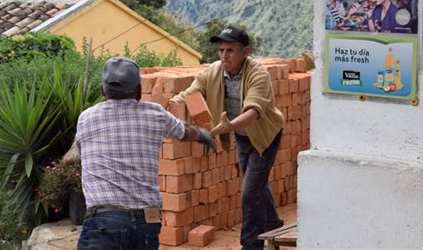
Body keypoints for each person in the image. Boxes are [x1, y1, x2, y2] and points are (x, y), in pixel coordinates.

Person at [76, 57, 216, 249]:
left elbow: (80, 152)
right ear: (139, 91)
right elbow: (184, 132)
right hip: (147, 221)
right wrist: (202, 134)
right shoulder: (156, 114)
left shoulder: (87, 118)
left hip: (104, 222)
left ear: (103, 90)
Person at [170, 25, 284, 250]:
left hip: (265, 136)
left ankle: (251, 245)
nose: (224, 56)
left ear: (245, 52)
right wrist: (170, 106)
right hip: (242, 137)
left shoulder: (258, 74)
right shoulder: (213, 72)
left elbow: (253, 111)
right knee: (255, 184)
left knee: (250, 194)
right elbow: (189, 94)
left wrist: (229, 125)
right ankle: (272, 220)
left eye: (230, 50)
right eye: (221, 50)